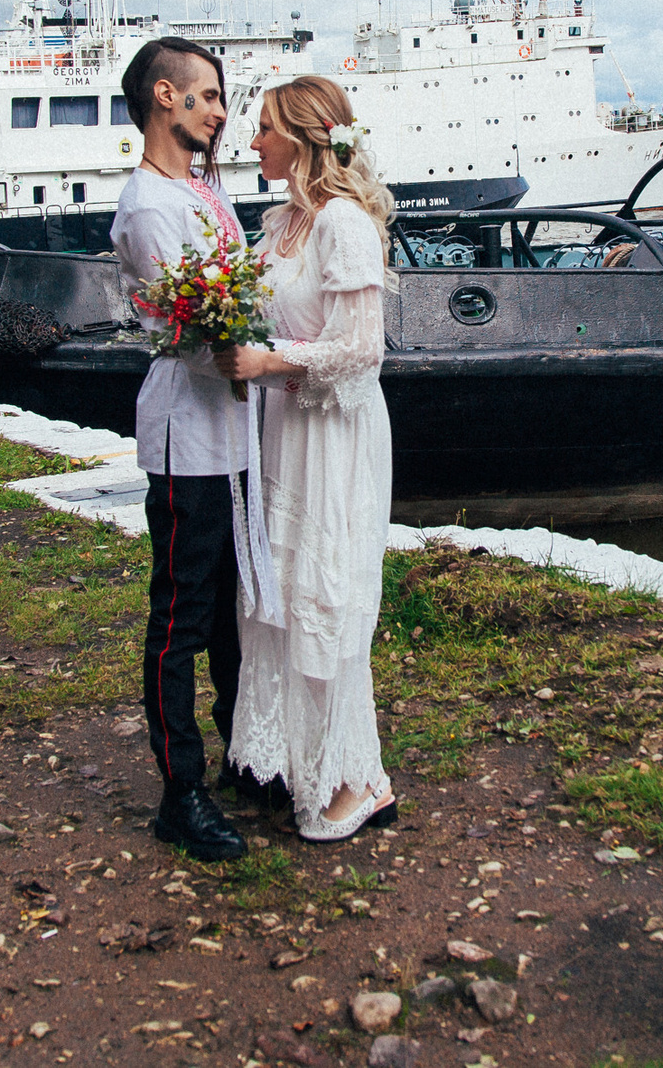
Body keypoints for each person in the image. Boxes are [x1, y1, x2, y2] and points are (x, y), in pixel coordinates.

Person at [215, 76, 399, 842]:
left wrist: (265, 362)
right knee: (286, 592)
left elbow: (362, 349)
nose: (250, 141)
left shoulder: (343, 223)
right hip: (287, 428)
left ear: (301, 136)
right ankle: (311, 762)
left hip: (333, 435)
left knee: (325, 592)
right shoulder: (282, 222)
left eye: (262, 128)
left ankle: (355, 778)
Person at [111, 36, 252, 863]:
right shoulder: (152, 205)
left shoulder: (198, 190)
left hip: (234, 429)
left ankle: (243, 752)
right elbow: (195, 326)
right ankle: (181, 790)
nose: (219, 111)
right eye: (205, 96)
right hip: (187, 435)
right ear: (164, 97)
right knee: (182, 619)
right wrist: (265, 350)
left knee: (235, 613)